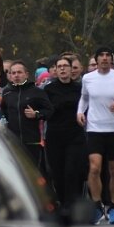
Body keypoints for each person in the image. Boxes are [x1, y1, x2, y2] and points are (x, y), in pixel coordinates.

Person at [77, 46, 114, 225]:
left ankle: (112, 206)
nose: (104, 59)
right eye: (101, 56)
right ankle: (97, 206)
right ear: (96, 60)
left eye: (107, 56)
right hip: (95, 129)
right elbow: (84, 98)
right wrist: (80, 112)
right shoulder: (88, 78)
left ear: (112, 60)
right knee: (94, 168)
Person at [43, 56, 87, 212]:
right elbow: (47, 110)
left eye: (65, 66)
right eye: (59, 66)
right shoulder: (49, 89)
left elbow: (86, 108)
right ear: (55, 69)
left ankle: (71, 205)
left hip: (75, 135)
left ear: (71, 69)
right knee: (57, 172)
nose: (62, 69)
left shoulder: (80, 88)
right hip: (55, 136)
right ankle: (62, 202)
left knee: (71, 170)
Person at [0, 61, 54, 173]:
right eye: (13, 73)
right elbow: (4, 111)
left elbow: (49, 110)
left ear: (26, 74)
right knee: (17, 174)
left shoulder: (36, 92)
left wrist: (36, 114)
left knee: (34, 174)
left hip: (32, 141)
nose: (16, 75)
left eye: (19, 72)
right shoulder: (6, 92)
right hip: (14, 142)